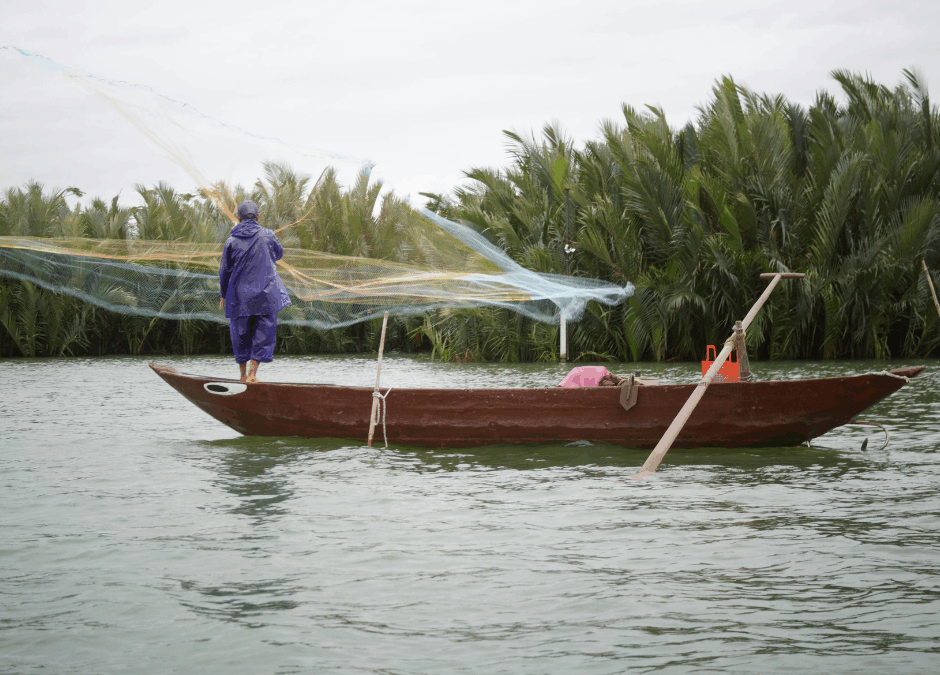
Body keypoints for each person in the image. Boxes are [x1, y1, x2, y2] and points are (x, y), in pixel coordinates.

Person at [219, 200, 291, 383]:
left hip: (239, 297)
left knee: (240, 334)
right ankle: (253, 374)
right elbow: (279, 253)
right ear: (258, 217)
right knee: (263, 333)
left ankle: (243, 376)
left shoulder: (231, 241)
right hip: (265, 296)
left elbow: (224, 270)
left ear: (238, 218)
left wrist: (223, 294)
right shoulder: (268, 235)